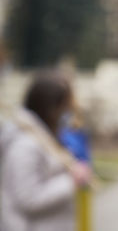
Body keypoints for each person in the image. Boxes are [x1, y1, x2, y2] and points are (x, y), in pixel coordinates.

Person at [1, 70, 91, 231]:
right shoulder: (25, 145)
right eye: (65, 107)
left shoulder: (45, 139)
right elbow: (29, 198)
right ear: (51, 108)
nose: (68, 113)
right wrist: (72, 181)